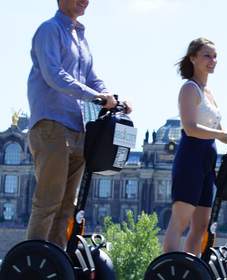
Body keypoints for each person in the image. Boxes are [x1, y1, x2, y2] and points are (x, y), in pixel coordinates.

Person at [26, 0, 129, 249]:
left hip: (77, 127)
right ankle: (34, 261)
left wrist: (112, 98)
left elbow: (92, 78)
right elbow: (55, 74)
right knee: (49, 200)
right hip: (51, 124)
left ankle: (55, 261)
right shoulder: (49, 30)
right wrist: (94, 97)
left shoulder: (81, 37)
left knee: (67, 206)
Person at [162, 38, 227, 256]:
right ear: (193, 58)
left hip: (208, 158)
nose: (212, 60)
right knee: (180, 220)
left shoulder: (209, 92)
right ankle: (170, 266)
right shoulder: (189, 88)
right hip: (191, 155)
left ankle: (191, 268)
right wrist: (224, 135)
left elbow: (217, 128)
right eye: (207, 55)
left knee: (201, 225)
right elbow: (190, 128)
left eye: (215, 56)